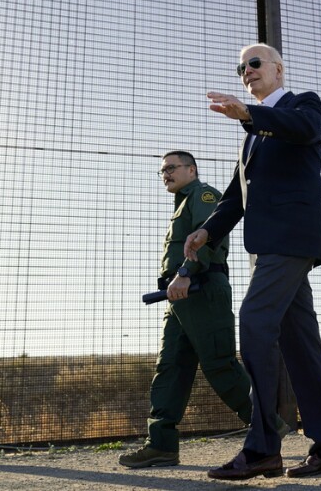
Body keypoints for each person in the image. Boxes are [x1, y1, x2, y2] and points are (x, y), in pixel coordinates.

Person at [184, 43, 321, 480]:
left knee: (255, 322)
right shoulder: (252, 137)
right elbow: (235, 196)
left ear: (278, 69)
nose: (247, 71)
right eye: (241, 67)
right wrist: (207, 232)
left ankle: (262, 448)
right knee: (302, 345)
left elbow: (303, 128)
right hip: (269, 246)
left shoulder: (301, 105)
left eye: (254, 63)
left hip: (291, 240)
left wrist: (248, 114)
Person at [119, 151, 253, 469]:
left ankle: (268, 425)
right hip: (179, 294)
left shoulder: (203, 195)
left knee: (219, 363)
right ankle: (161, 445)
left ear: (191, 170)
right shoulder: (181, 203)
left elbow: (206, 237)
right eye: (162, 171)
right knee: (170, 367)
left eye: (171, 167)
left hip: (200, 287)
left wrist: (185, 272)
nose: (165, 174)